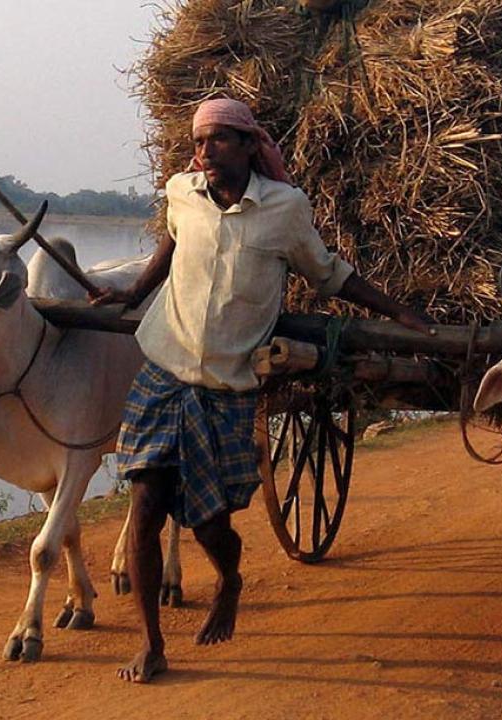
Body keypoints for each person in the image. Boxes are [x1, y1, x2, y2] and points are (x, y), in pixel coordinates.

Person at [90, 98, 432, 684]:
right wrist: (129, 295)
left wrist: (399, 310)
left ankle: (230, 579)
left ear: (251, 146)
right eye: (200, 142)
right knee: (144, 511)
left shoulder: (284, 209)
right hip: (163, 373)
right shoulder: (181, 192)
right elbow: (169, 251)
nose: (206, 152)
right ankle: (152, 644)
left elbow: (328, 274)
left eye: (220, 140)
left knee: (209, 524)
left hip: (228, 387)